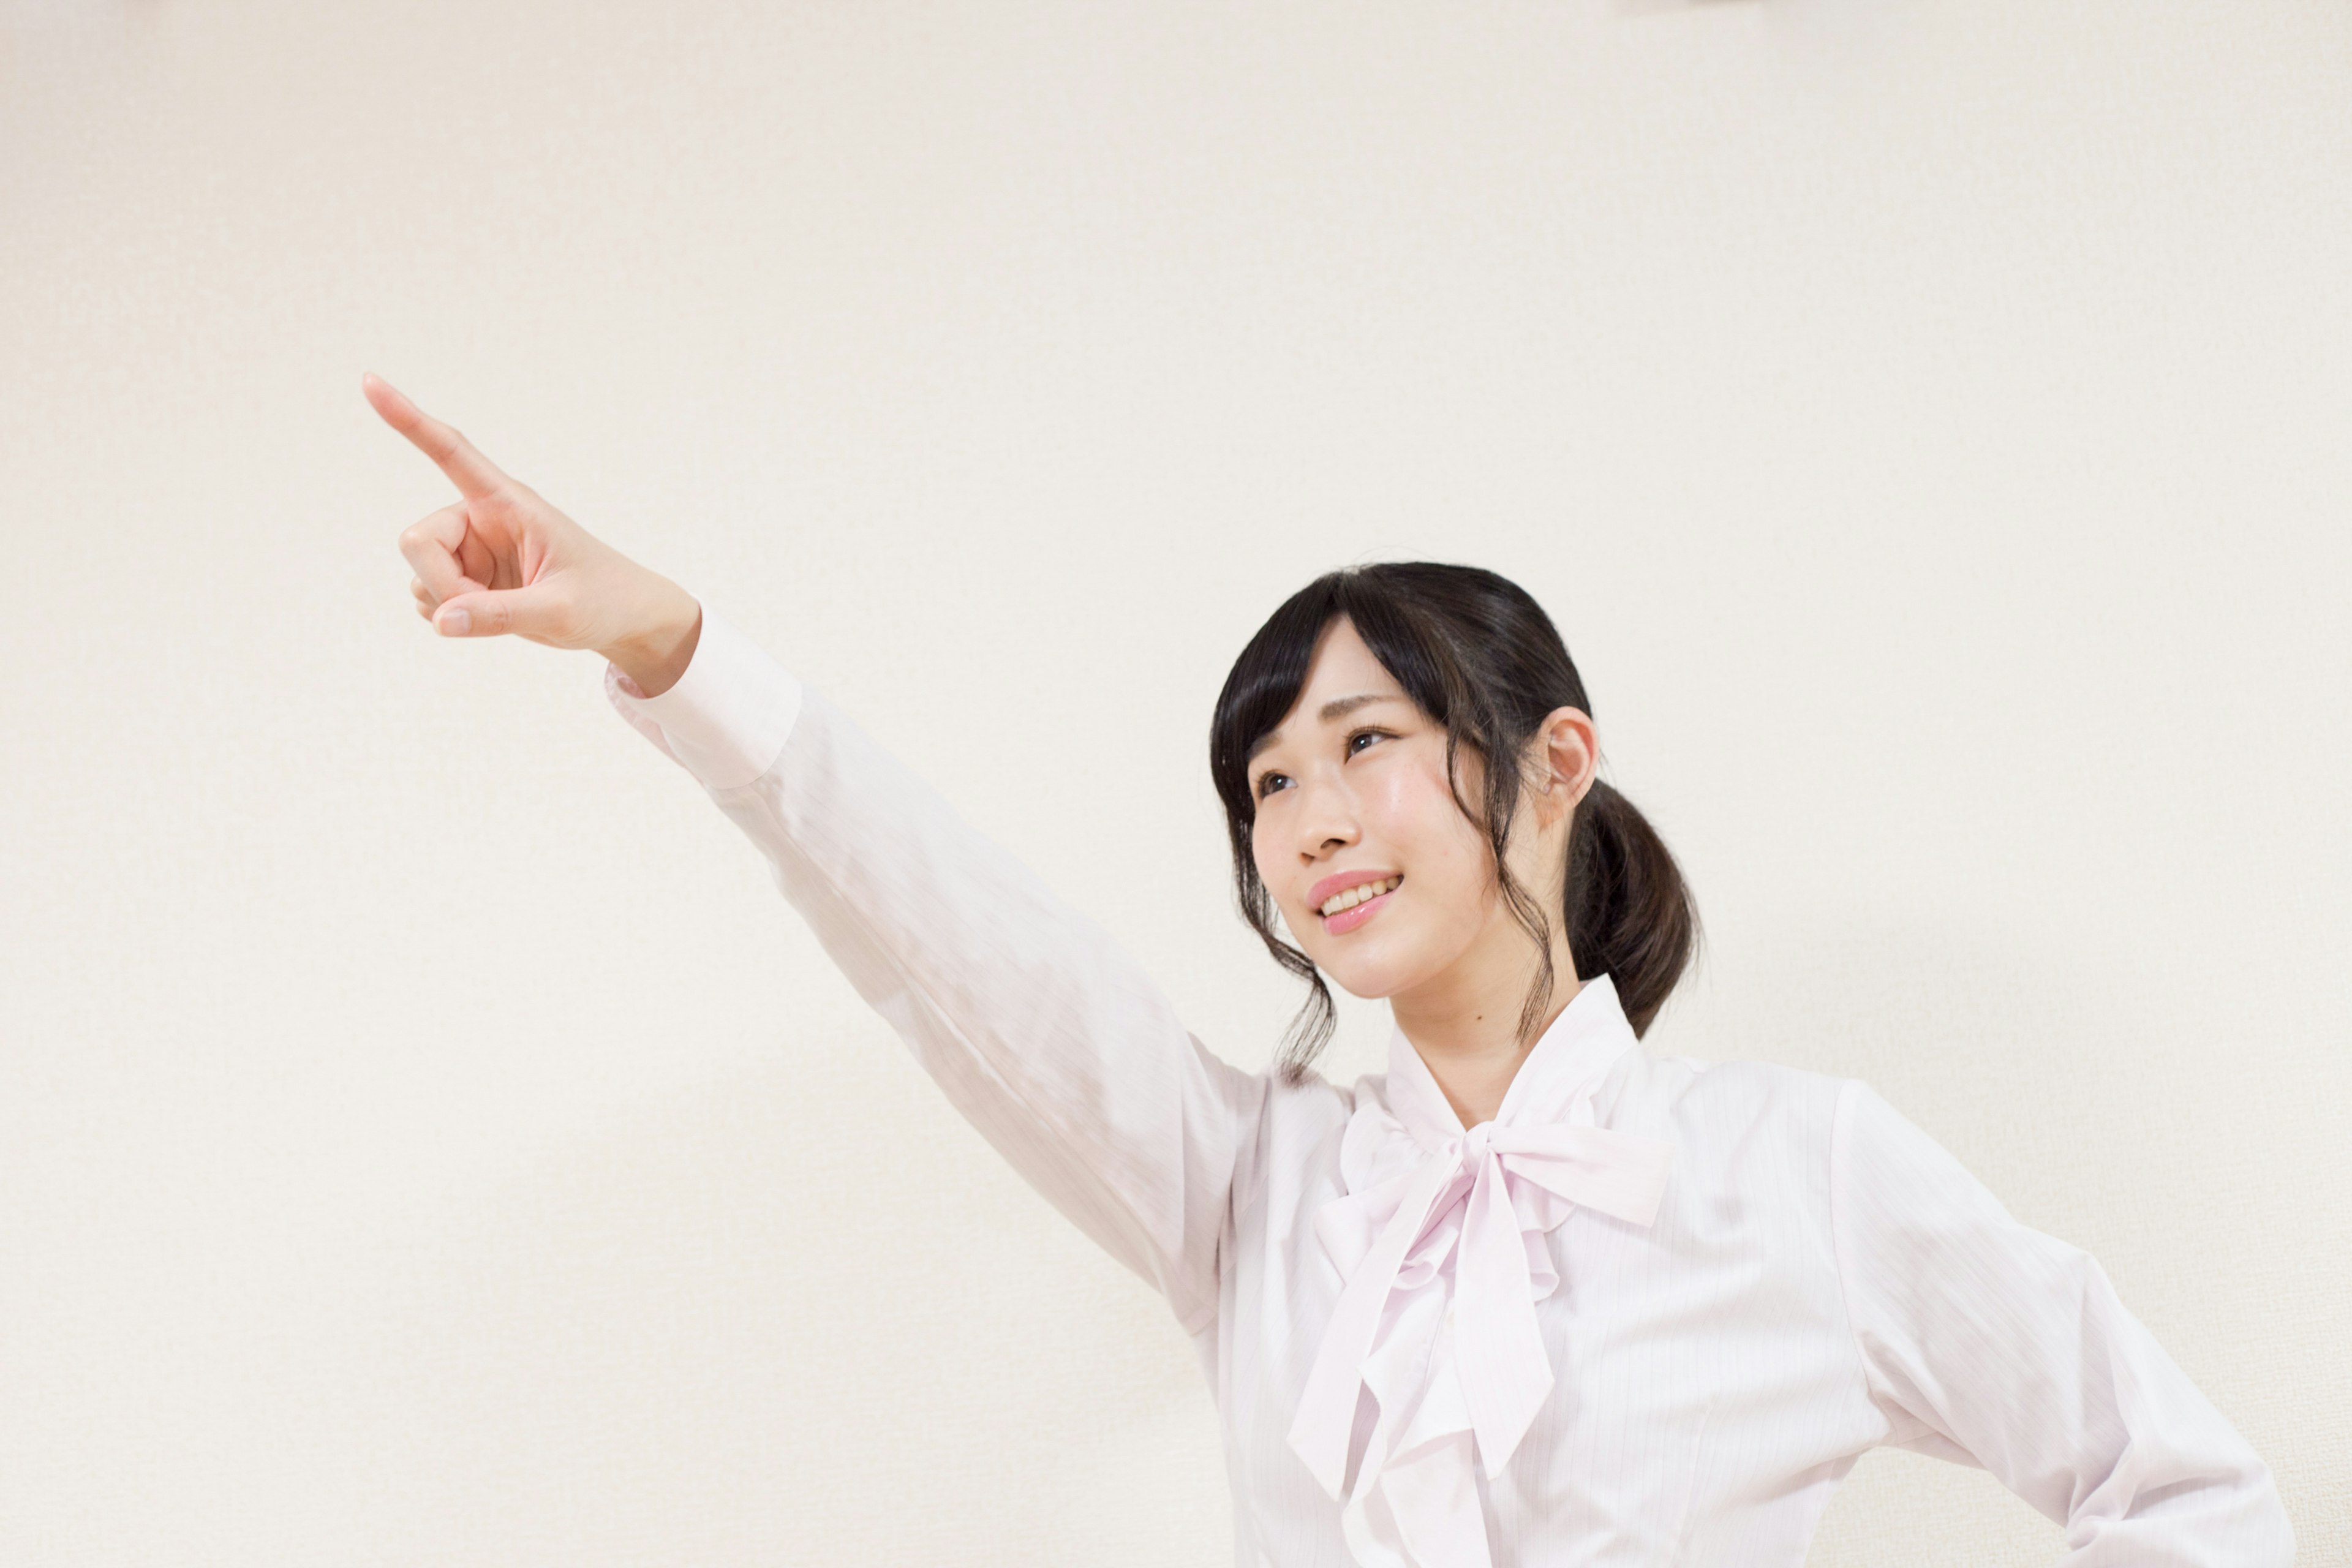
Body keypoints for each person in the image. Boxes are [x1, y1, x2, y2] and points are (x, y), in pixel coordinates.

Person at [367, 370, 2296, 1567]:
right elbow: (966, 948)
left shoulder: (1805, 1174)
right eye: (1268, 782)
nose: (1309, 818)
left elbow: (2189, 1494)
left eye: (1369, 742)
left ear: (1557, 759)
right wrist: (676, 650)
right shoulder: (1257, 1194)